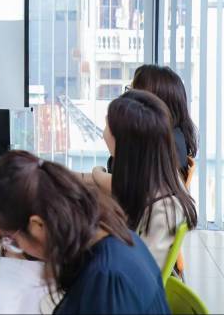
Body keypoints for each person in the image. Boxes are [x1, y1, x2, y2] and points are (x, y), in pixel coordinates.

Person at [0, 150, 169, 315]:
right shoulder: (108, 234)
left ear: (38, 225)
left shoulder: (106, 281)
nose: (19, 247)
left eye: (14, 240)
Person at [84, 90, 197, 270]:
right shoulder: (160, 175)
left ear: (125, 141)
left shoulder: (161, 211)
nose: (103, 134)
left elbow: (134, 274)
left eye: (107, 125)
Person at [130, 64, 197, 180]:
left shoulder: (169, 144)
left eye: (132, 93)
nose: (125, 99)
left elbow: (133, 185)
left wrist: (98, 174)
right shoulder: (161, 137)